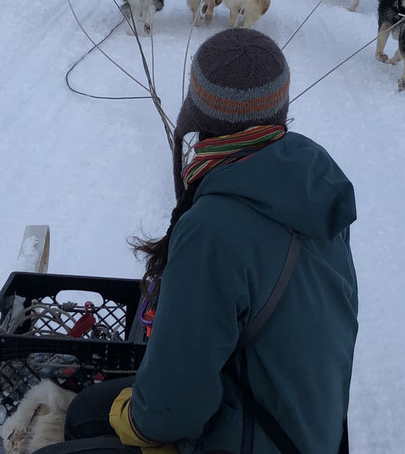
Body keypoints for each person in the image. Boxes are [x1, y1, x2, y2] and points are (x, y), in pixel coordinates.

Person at [50, 28, 358, 454]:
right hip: (306, 425)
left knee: (74, 433)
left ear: (198, 115)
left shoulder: (213, 228)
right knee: (88, 409)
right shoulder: (312, 183)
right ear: (281, 110)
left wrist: (133, 419)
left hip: (257, 436)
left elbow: (170, 411)